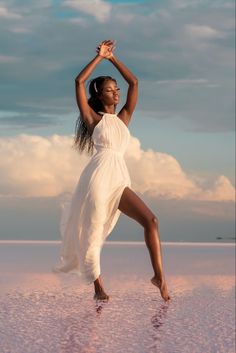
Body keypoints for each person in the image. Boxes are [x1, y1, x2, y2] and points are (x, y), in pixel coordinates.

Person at [53, 40, 170, 302]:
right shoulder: (93, 119)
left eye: (116, 88)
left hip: (119, 178)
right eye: (109, 90)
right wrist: (98, 58)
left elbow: (135, 83)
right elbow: (78, 82)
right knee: (93, 232)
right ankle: (98, 288)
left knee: (151, 221)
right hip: (97, 179)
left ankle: (159, 276)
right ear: (99, 96)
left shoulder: (124, 118)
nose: (116, 93)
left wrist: (113, 59)